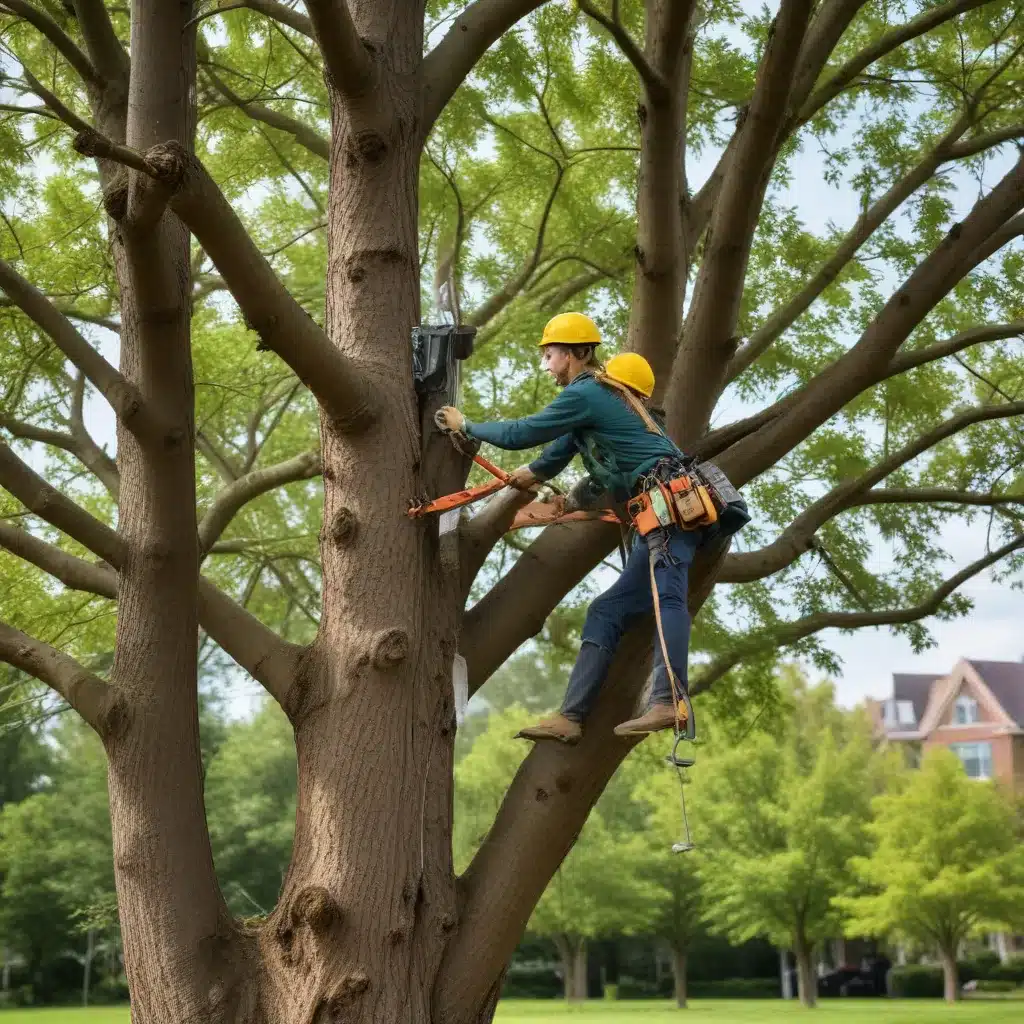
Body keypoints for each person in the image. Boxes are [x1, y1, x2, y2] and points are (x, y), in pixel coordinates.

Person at [436, 312, 744, 744]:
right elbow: (548, 462)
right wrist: (544, 496)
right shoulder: (597, 414)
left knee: (666, 596)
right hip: (659, 515)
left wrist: (468, 426)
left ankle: (670, 699)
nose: (545, 363)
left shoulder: (590, 392)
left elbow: (525, 432)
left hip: (669, 511)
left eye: (550, 353)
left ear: (575, 352)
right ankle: (571, 717)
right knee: (607, 610)